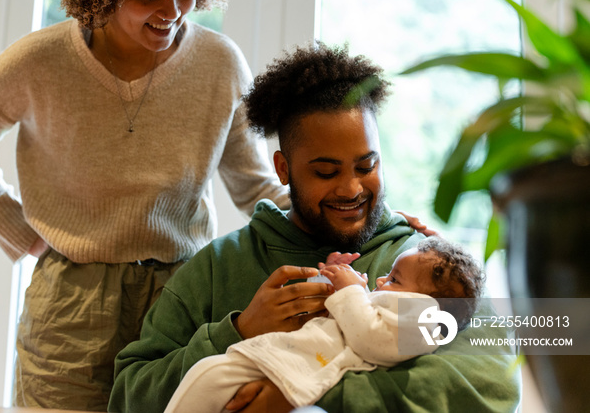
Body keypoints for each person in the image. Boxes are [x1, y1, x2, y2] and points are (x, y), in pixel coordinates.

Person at [0, 0, 291, 410]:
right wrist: (25, 234)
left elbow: (256, 188)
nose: (172, 13)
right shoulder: (38, 61)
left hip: (181, 295)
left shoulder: (219, 63)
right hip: (70, 304)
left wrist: (362, 220)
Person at [109, 42, 520, 412]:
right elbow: (129, 395)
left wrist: (299, 393)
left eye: (367, 166)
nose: (351, 188)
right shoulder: (218, 266)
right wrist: (237, 331)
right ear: (283, 170)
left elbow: (491, 390)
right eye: (325, 171)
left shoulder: (424, 264)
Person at [164, 236, 485, 412]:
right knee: (209, 373)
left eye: (395, 279)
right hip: (281, 362)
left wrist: (351, 291)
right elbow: (334, 318)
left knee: (211, 373)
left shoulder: (422, 324)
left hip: (294, 372)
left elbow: (370, 340)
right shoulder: (384, 305)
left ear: (427, 303)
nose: (381, 280)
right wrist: (330, 278)